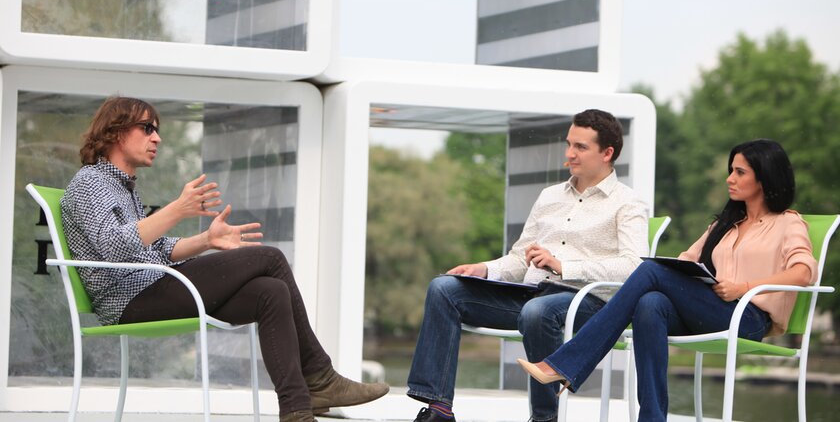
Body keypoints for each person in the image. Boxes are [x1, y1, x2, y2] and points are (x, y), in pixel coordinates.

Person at [60, 96, 388, 422]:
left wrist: (207, 240)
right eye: (147, 128)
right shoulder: (90, 183)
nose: (156, 138)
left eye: (156, 130)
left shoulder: (123, 186)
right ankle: (320, 376)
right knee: (271, 258)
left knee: (271, 292)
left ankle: (297, 410)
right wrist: (178, 209)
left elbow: (154, 249)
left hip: (153, 287)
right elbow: (114, 247)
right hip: (130, 301)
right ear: (117, 131)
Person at [518, 139, 817, 422]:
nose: (730, 178)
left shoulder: (787, 223)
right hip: (710, 312)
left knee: (650, 271)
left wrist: (744, 288)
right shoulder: (724, 225)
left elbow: (803, 272)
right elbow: (686, 260)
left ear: (764, 178)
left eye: (740, 172)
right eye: (731, 171)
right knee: (651, 303)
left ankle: (566, 363)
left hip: (748, 318)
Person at [407, 109, 649, 422]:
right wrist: (484, 269)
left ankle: (544, 418)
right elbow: (520, 257)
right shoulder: (549, 196)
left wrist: (564, 265)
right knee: (444, 289)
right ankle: (439, 408)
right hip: (531, 294)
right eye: (568, 144)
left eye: (580, 147)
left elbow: (633, 266)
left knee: (538, 312)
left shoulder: (627, 203)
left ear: (607, 153)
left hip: (586, 301)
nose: (569, 154)